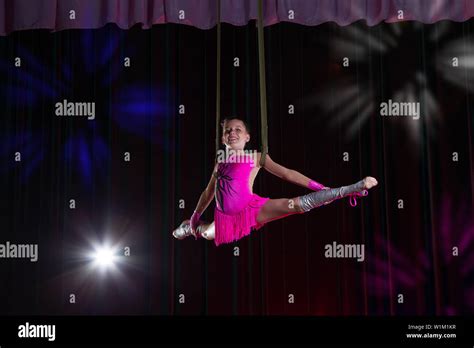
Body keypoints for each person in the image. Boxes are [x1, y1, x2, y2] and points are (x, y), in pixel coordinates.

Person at [173, 117, 377, 246]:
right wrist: (195, 215)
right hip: (224, 217)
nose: (232, 132)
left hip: (251, 209)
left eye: (237, 129)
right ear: (223, 139)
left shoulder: (256, 157)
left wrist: (319, 186)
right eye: (228, 130)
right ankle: (189, 228)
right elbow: (209, 192)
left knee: (294, 205)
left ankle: (349, 189)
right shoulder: (219, 162)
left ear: (247, 137)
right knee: (205, 232)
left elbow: (287, 173)